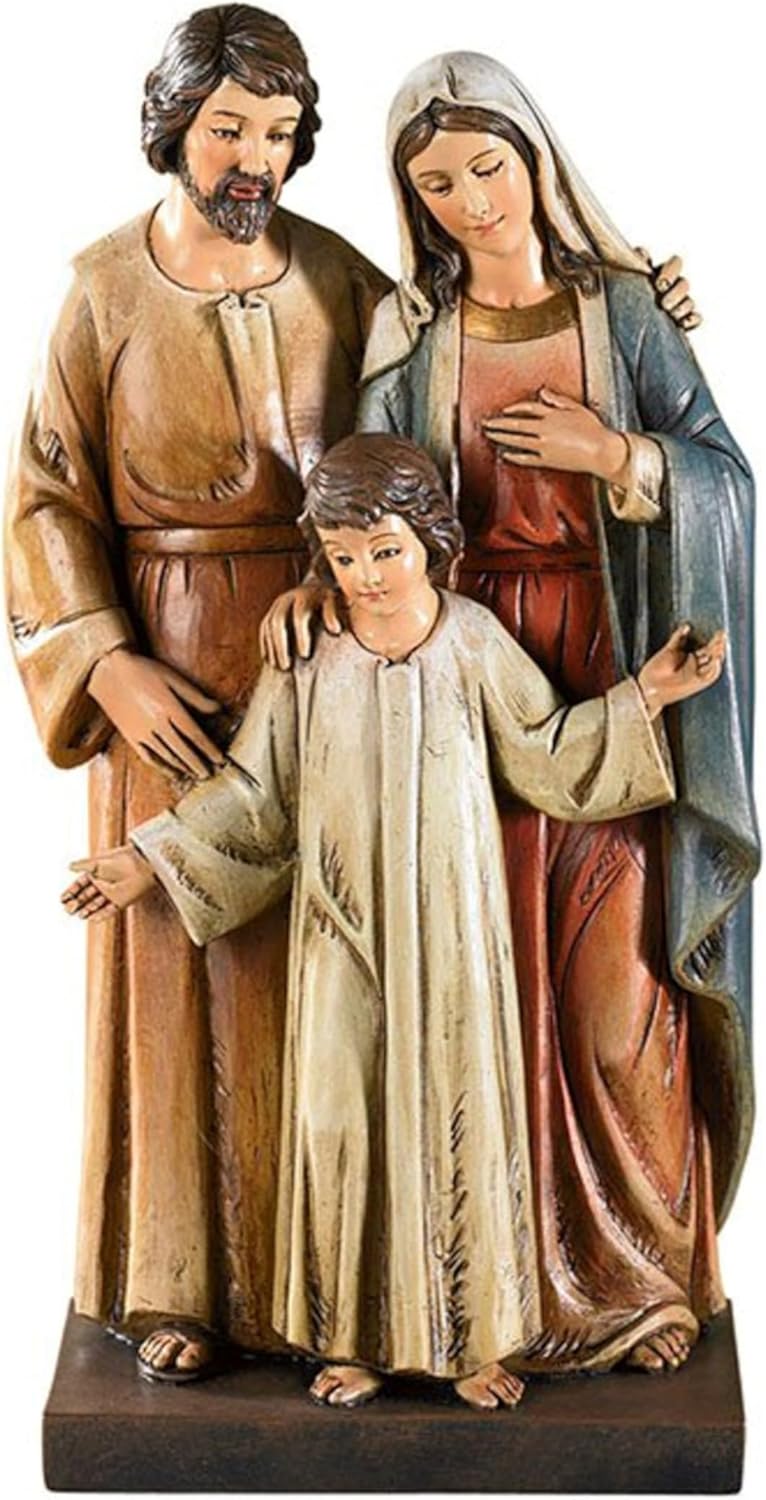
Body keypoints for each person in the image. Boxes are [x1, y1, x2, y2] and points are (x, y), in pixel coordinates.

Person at [260, 53, 757, 1376]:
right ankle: (487, 1293)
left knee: (612, 1000)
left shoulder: (624, 314)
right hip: (456, 688)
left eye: (489, 167)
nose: (471, 201)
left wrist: (620, 456)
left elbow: (726, 481)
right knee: (480, 999)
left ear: (535, 161)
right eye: (436, 184)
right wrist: (319, 584)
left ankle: (641, 1276)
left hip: (604, 664)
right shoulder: (413, 333)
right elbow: (359, 494)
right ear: (410, 200)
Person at [62, 433, 726, 1410]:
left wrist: (649, 696)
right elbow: (254, 795)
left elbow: (546, 753)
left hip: (453, 937)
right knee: (338, 1125)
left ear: (431, 544)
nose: (366, 576)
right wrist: (145, 860)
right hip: (340, 934)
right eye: (342, 556)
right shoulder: (308, 658)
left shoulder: (470, 643)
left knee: (458, 1124)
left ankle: (473, 1342)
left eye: (385, 551)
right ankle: (350, 1338)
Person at [4, 4, 393, 1383]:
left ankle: (330, 1278)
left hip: (323, 658)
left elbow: (435, 394)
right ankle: (174, 1280)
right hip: (160, 673)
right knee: (169, 954)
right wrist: (103, 660)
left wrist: (634, 289)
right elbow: (42, 499)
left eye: (279, 132)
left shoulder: (343, 280)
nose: (254, 159)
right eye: (229, 127)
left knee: (320, 960)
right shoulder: (103, 291)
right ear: (174, 126)